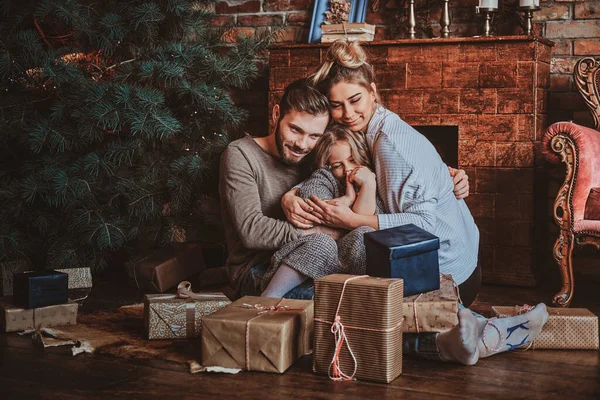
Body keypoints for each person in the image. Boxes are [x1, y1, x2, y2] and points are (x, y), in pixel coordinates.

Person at [279, 39, 549, 364]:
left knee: (357, 273)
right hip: (462, 263)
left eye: (355, 100)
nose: (348, 114)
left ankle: (473, 327)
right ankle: (475, 331)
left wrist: (351, 221)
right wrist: (289, 196)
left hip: (449, 273)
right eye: (337, 105)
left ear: (373, 92)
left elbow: (426, 224)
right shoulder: (375, 133)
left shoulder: (391, 146)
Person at [219, 77, 469, 298]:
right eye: (294, 129)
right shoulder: (241, 154)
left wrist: (446, 174)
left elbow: (386, 160)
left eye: (314, 136)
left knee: (378, 289)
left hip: (321, 263)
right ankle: (439, 342)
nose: (302, 144)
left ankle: (455, 333)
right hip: (258, 270)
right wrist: (327, 232)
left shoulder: (314, 153)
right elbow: (252, 232)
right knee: (362, 302)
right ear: (276, 115)